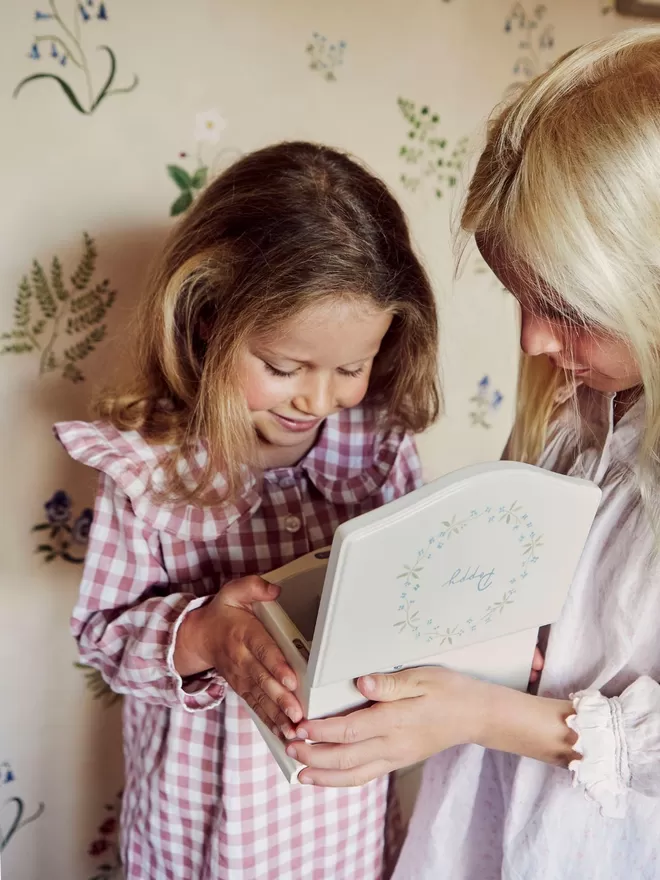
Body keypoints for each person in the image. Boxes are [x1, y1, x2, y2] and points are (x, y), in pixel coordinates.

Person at [289, 30, 660, 879]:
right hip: (492, 825)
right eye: (520, 298)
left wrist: (480, 714)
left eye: (564, 304)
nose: (531, 339)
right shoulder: (584, 420)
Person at [54, 141, 440, 880]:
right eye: (284, 367)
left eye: (351, 369)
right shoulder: (148, 468)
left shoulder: (381, 448)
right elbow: (105, 636)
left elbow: (411, 594)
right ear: (207, 319)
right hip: (201, 821)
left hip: (343, 822)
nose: (317, 400)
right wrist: (205, 634)